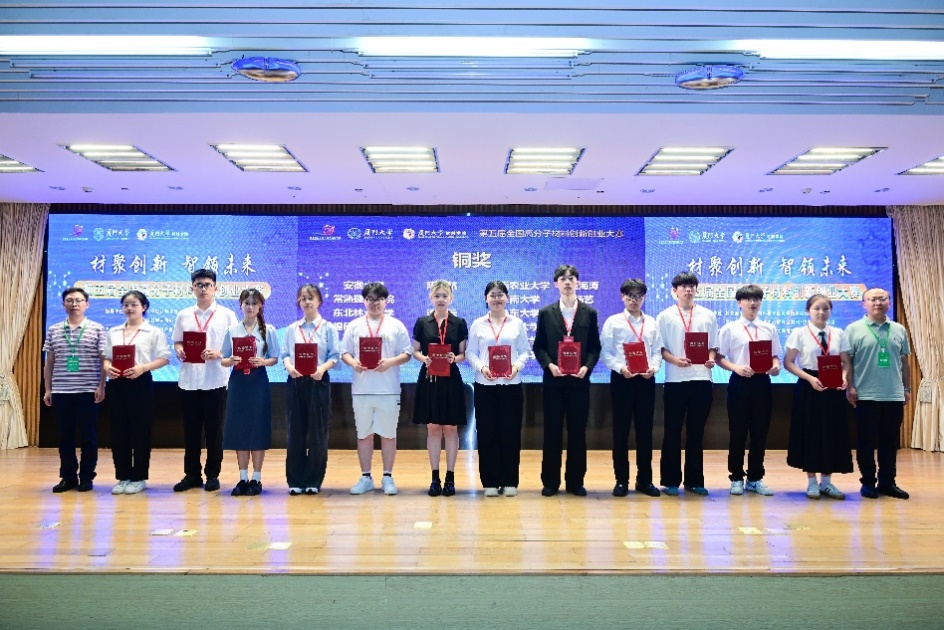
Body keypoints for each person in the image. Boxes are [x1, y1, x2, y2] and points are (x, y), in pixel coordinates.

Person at [533, 264, 602, 497]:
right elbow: (539, 347)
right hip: (554, 381)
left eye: (571, 278)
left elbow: (595, 348)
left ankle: (575, 481)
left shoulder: (589, 313)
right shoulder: (546, 313)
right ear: (556, 284)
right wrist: (550, 365)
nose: (567, 282)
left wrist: (586, 367)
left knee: (577, 432)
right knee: (552, 431)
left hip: (579, 382)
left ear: (578, 282)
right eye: (563, 278)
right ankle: (550, 482)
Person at [340, 282, 413, 496]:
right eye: (370, 299)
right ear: (364, 301)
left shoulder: (395, 325)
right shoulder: (354, 325)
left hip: (388, 389)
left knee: (388, 435)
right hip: (362, 388)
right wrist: (354, 364)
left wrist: (390, 362)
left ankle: (388, 476)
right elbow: (345, 352)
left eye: (379, 299)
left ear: (386, 301)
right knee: (364, 435)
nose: (374, 303)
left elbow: (407, 353)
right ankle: (366, 477)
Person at [171, 269, 238, 493]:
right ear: (192, 288)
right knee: (190, 431)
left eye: (207, 285)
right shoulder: (183, 315)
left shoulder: (226, 315)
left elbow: (235, 347)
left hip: (215, 380)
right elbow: (177, 341)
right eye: (198, 285)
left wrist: (218, 353)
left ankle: (212, 475)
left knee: (214, 431)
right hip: (189, 380)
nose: (203, 289)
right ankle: (191, 475)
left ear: (215, 288)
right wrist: (179, 350)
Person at [844, 287, 912, 500]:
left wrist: (907, 388)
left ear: (889, 303)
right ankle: (868, 482)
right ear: (863, 304)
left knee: (889, 442)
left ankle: (887, 482)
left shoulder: (899, 329)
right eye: (872, 299)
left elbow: (904, 362)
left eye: (882, 299)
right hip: (865, 395)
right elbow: (847, 362)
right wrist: (849, 386)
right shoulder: (853, 329)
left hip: (893, 394)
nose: (878, 303)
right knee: (865, 441)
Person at [784, 294, 853, 500]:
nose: (821, 312)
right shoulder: (799, 333)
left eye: (825, 308)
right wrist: (809, 379)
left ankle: (827, 482)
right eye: (816, 308)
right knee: (811, 432)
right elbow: (788, 362)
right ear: (808, 311)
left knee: (832, 432)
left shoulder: (838, 333)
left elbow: (846, 362)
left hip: (833, 387)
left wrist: (844, 378)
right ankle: (812, 482)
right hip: (810, 385)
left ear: (830, 311)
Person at [467, 281, 532, 497]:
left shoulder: (517, 323)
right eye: (492, 295)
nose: (496, 299)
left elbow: (525, 351)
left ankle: (510, 480)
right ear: (486, 299)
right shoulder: (478, 324)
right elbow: (470, 353)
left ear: (507, 298)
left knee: (510, 433)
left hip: (511, 385)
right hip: (485, 385)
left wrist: (516, 367)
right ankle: (490, 482)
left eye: (500, 295)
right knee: (487, 433)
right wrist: (482, 367)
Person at [102, 290, 171, 495]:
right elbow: (106, 357)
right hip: (117, 382)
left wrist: (143, 368)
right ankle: (123, 476)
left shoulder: (153, 332)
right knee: (118, 431)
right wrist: (107, 367)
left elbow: (164, 358)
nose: (129, 308)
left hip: (140, 382)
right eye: (126, 305)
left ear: (144, 307)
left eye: (134, 304)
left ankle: (139, 477)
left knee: (141, 431)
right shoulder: (114, 332)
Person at [656, 271, 718, 497]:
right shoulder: (665, 316)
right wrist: (675, 360)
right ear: (675, 290)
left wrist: (710, 359)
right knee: (672, 431)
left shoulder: (708, 315)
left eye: (691, 286)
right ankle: (670, 480)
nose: (688, 290)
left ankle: (694, 480)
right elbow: (660, 349)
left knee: (697, 432)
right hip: (675, 380)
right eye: (683, 286)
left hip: (702, 379)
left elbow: (713, 346)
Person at [717, 284, 782, 497]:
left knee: (759, 432)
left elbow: (775, 356)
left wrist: (775, 366)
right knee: (737, 432)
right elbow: (719, 357)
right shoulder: (730, 329)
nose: (752, 303)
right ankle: (736, 477)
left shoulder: (769, 328)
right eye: (748, 299)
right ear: (739, 303)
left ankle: (755, 478)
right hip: (739, 383)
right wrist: (736, 368)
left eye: (756, 299)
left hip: (762, 383)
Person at [600, 279, 662, 498]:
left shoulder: (652, 323)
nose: (634, 300)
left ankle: (644, 480)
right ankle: (621, 480)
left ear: (643, 298)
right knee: (621, 431)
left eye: (638, 296)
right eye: (630, 296)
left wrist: (653, 368)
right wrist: (621, 368)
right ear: (622, 297)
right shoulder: (613, 322)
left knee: (645, 432)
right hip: (622, 380)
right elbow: (605, 352)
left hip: (646, 381)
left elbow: (657, 351)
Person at [42, 287, 107, 493]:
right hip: (62, 391)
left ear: (87, 304)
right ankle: (68, 477)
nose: (74, 304)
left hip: (88, 391)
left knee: (89, 436)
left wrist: (101, 385)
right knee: (65, 437)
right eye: (70, 300)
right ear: (63, 305)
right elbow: (49, 362)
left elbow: (104, 360)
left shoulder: (97, 329)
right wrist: (48, 389)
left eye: (79, 300)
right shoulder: (54, 330)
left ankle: (87, 477)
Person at [220, 288, 280, 496]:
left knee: (257, 427)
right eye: (247, 303)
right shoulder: (232, 330)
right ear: (241, 305)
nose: (250, 307)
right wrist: (231, 360)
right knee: (240, 428)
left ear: (260, 306)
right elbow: (223, 359)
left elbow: (275, 358)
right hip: (238, 382)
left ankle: (257, 478)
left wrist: (263, 361)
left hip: (258, 381)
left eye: (254, 303)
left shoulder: (268, 330)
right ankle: (243, 477)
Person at [281, 284, 340, 496]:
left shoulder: (328, 328)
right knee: (295, 432)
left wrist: (322, 369)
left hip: (318, 382)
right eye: (303, 298)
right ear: (299, 302)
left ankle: (314, 480)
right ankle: (296, 480)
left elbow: (335, 356)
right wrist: (290, 367)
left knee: (317, 433)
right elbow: (285, 354)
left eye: (310, 298)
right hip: (296, 382)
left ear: (319, 301)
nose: (307, 302)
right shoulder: (292, 329)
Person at [412, 280, 468, 497]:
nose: (441, 299)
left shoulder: (459, 323)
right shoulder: (422, 322)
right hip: (430, 378)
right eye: (437, 296)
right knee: (433, 428)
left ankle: (450, 478)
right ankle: (435, 478)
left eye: (445, 295)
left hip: (451, 378)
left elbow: (463, 354)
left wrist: (455, 358)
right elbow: (416, 351)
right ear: (431, 298)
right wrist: (424, 358)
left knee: (451, 428)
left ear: (451, 298)